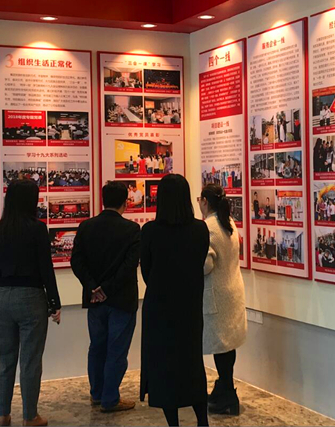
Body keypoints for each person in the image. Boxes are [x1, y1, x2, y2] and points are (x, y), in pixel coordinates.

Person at [0, 180, 62, 427]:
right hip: (31, 297)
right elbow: (45, 268)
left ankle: (2, 414)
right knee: (30, 361)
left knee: (5, 359)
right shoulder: (37, 229)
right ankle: (30, 416)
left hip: (3, 297)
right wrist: (54, 301)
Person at [140, 174, 210, 426]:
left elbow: (146, 271)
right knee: (192, 363)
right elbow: (199, 261)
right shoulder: (200, 229)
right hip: (189, 306)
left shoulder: (150, 231)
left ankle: (174, 423)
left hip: (159, 307)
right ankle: (202, 420)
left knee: (163, 367)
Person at [70, 181, 141, 413]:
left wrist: (94, 287)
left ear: (102, 200)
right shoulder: (132, 229)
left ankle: (97, 394)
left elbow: (76, 261)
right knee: (116, 350)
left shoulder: (86, 226)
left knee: (97, 347)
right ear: (125, 202)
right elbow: (129, 266)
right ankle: (110, 399)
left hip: (94, 300)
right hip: (121, 299)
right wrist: (107, 289)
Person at [197, 184, 247, 416]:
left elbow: (206, 265)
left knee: (221, 346)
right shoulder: (229, 223)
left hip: (217, 294)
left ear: (205, 201)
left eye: (199, 199)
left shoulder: (208, 227)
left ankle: (227, 393)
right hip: (232, 291)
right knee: (227, 345)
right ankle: (225, 388)